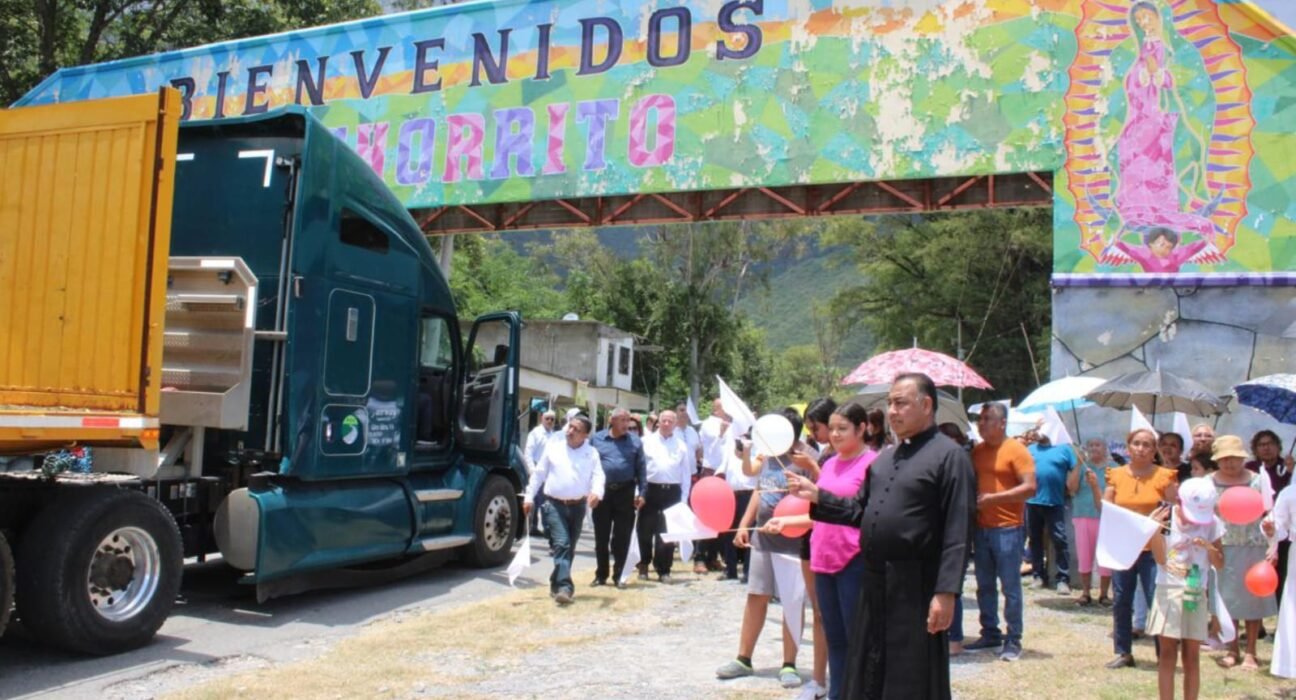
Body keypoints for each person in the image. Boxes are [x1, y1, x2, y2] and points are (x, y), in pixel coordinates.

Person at [786, 373, 975, 699]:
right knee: (869, 666)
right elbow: (859, 511)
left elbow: (959, 530)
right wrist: (818, 496)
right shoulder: (886, 458)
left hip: (915, 586)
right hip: (873, 582)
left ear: (926, 405)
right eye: (889, 403)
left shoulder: (950, 457)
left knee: (910, 672)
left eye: (900, 403)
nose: (892, 411)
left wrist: (946, 592)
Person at [766, 403, 877, 700]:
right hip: (823, 559)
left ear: (862, 428)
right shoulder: (828, 464)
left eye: (843, 428)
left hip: (853, 559)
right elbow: (821, 513)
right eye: (834, 428)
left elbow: (866, 513)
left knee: (857, 638)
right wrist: (788, 520)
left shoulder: (873, 464)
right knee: (834, 636)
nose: (836, 434)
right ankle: (837, 692)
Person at [717, 411, 811, 690]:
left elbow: (814, 497)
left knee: (792, 601)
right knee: (756, 595)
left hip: (793, 543)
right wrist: (744, 524)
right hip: (763, 539)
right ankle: (743, 658)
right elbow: (758, 489)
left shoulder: (806, 459)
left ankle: (789, 663)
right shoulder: (768, 455)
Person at [964, 403, 1037, 661]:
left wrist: (994, 499)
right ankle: (990, 632)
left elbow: (1030, 488)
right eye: (980, 419)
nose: (981, 424)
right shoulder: (978, 451)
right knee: (984, 585)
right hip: (982, 527)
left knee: (1010, 587)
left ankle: (1013, 638)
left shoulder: (1017, 450)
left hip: (1008, 528)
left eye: (987, 419)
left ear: (1002, 422)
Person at [1145, 477, 1225, 700]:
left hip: (1195, 591)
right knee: (1167, 653)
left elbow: (1220, 563)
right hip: (1168, 589)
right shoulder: (1165, 517)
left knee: (1192, 656)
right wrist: (1154, 531)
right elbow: (1160, 559)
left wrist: (1208, 548)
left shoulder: (1213, 523)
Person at [1105, 427, 1178, 669]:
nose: (1141, 448)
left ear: (1154, 450)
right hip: (1124, 547)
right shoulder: (1115, 474)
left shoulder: (1164, 476)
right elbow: (1107, 508)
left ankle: (1163, 654)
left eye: (1147, 444)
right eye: (1136, 443)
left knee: (1155, 599)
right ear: (1128, 447)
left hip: (1152, 549)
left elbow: (1173, 510)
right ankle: (1123, 651)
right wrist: (1096, 488)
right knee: (1121, 599)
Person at [522, 415, 604, 605]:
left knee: (569, 548)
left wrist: (596, 492)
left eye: (576, 429)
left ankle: (556, 583)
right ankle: (566, 588)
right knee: (562, 544)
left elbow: (598, 476)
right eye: (570, 427)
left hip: (578, 507)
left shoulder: (591, 453)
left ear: (585, 435)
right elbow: (539, 475)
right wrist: (529, 497)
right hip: (554, 505)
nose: (570, 431)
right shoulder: (554, 448)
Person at [1212, 434, 1278, 669]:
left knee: (1253, 598)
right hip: (1223, 546)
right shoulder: (1209, 482)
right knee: (1227, 599)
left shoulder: (1258, 480)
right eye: (1224, 458)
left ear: (1243, 458)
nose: (1229, 463)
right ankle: (1232, 649)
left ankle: (1251, 651)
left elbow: (1270, 513)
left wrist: (1271, 535)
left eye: (1234, 458)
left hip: (1254, 546)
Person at [589, 408, 646, 588]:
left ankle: (619, 575)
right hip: (603, 493)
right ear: (611, 421)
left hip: (625, 492)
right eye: (622, 420)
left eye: (628, 420)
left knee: (622, 536)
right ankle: (601, 574)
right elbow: (588, 464)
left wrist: (642, 493)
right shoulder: (597, 439)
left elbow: (641, 469)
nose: (626, 424)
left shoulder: (635, 441)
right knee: (601, 536)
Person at [636, 410, 692, 583]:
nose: (667, 424)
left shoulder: (681, 445)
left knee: (668, 532)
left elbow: (686, 474)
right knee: (645, 529)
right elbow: (639, 469)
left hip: (672, 491)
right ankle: (643, 564)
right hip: (650, 489)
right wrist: (638, 492)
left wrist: (684, 499)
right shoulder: (646, 442)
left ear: (675, 424)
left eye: (670, 421)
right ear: (658, 422)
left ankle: (664, 569)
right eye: (664, 420)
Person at [1026, 431, 1077, 594]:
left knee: (1060, 540)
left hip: (1055, 502)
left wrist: (1070, 487)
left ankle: (1063, 579)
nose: (1039, 432)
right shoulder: (1030, 449)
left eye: (1043, 427)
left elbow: (1075, 469)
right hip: (1032, 502)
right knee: (1035, 540)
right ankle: (1038, 576)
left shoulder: (1065, 449)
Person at [1248, 430, 1295, 602]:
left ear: (1278, 446)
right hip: (1255, 526)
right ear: (1255, 448)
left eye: (1270, 444)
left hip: (1281, 527)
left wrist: (1290, 472)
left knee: (1281, 571)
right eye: (1262, 445)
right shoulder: (1250, 469)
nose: (1266, 448)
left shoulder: (1287, 466)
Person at [1073, 437, 1113, 607]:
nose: (1094, 448)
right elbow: (1071, 488)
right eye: (1091, 445)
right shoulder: (1082, 466)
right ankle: (1085, 592)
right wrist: (1077, 464)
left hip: (1106, 517)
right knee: (1084, 555)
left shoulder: (1113, 468)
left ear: (1105, 448)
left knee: (1105, 557)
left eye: (1098, 445)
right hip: (1082, 514)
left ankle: (1104, 594)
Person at [716, 432, 757, 583]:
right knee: (729, 533)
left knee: (749, 532)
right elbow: (720, 471)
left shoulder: (755, 457)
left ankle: (748, 571)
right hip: (731, 495)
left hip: (749, 495)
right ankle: (730, 569)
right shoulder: (729, 455)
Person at [523, 410, 557, 535]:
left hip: (549, 471)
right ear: (542, 418)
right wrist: (532, 470)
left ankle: (547, 528)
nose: (550, 421)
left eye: (552, 419)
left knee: (546, 500)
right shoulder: (535, 433)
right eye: (547, 418)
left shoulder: (554, 435)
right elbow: (528, 453)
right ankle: (532, 527)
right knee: (535, 499)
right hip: (537, 468)